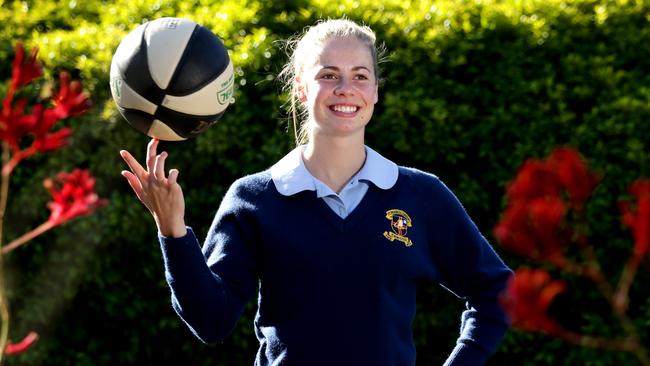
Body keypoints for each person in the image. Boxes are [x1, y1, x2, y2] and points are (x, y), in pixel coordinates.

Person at [120, 18, 512, 366]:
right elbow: (212, 322)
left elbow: (497, 292)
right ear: (302, 89)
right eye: (328, 75)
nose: (346, 89)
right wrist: (172, 230)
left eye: (360, 76)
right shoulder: (254, 199)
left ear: (375, 90)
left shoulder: (419, 195)